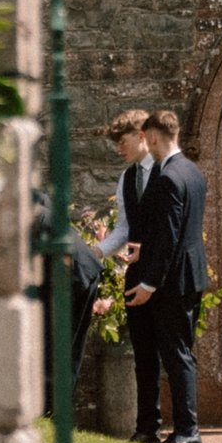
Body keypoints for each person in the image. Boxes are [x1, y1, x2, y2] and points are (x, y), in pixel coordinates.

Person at [124, 106, 208, 443]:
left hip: (173, 281)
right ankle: (184, 429)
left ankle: (188, 430)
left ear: (154, 136)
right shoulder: (193, 172)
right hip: (191, 274)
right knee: (180, 351)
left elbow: (169, 236)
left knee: (176, 354)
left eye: (146, 137)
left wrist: (148, 284)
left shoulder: (169, 178)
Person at [72, 112, 149, 387]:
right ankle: (146, 428)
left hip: (168, 274)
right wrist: (97, 252)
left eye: (122, 141)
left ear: (141, 135)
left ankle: (187, 427)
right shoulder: (127, 178)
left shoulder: (170, 171)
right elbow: (124, 229)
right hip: (138, 274)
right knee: (144, 355)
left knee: (176, 355)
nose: (118, 148)